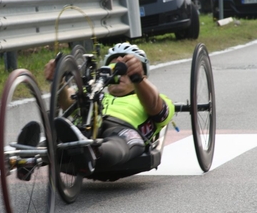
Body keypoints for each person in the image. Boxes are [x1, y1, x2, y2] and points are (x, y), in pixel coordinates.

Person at [45, 42, 175, 175]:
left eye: (124, 69)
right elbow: (67, 101)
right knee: (65, 132)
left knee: (120, 142)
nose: (119, 74)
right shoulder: (93, 92)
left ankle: (92, 151)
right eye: (114, 68)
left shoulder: (154, 97)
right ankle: (29, 155)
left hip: (123, 130)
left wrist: (138, 79)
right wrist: (58, 79)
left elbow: (156, 108)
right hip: (88, 127)